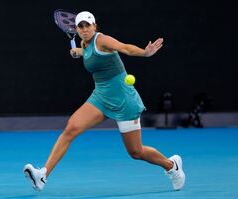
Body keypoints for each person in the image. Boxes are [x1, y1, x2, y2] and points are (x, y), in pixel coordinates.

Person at [23, 11, 185, 192]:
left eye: (88, 25)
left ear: (94, 26)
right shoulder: (84, 43)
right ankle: (42, 175)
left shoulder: (102, 40)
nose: (85, 29)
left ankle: (172, 166)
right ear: (76, 29)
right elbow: (88, 53)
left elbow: (125, 48)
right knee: (70, 129)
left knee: (136, 152)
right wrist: (79, 52)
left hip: (124, 100)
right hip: (100, 97)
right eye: (80, 26)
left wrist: (145, 53)